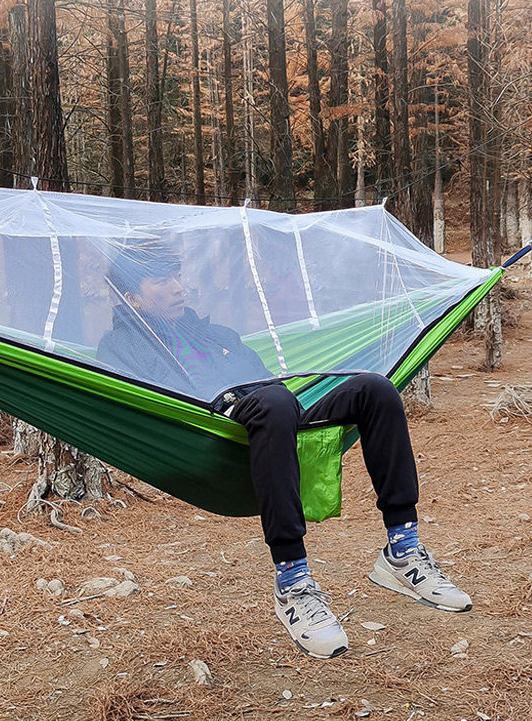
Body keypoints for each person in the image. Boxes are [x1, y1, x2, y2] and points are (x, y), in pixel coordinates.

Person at [98, 242, 471, 660]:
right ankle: (292, 580)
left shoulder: (216, 335)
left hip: (272, 415)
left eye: (177, 276)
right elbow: (143, 408)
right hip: (211, 431)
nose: (178, 287)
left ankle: (402, 548)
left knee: (375, 389)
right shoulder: (118, 349)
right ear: (132, 298)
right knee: (274, 401)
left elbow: (266, 380)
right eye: (161, 280)